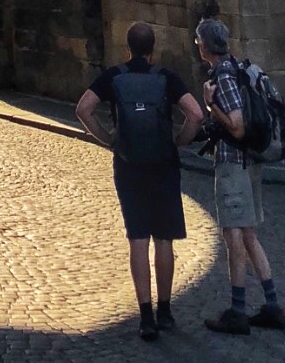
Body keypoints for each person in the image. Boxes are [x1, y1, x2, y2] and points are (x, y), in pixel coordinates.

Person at [75, 22, 204, 343]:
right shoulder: (166, 77)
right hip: (163, 163)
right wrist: (179, 141)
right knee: (164, 239)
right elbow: (196, 114)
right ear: (152, 49)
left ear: (128, 48)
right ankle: (165, 311)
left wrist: (107, 138)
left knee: (138, 239)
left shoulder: (113, 76)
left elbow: (84, 109)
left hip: (128, 164)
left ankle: (145, 316)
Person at [196, 17, 285, 335]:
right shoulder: (238, 68)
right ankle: (272, 306)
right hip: (250, 162)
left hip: (234, 164)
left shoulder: (223, 76)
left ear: (206, 46)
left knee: (234, 234)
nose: (197, 46)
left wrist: (211, 106)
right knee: (248, 234)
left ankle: (237, 311)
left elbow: (236, 126)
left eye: (198, 41)